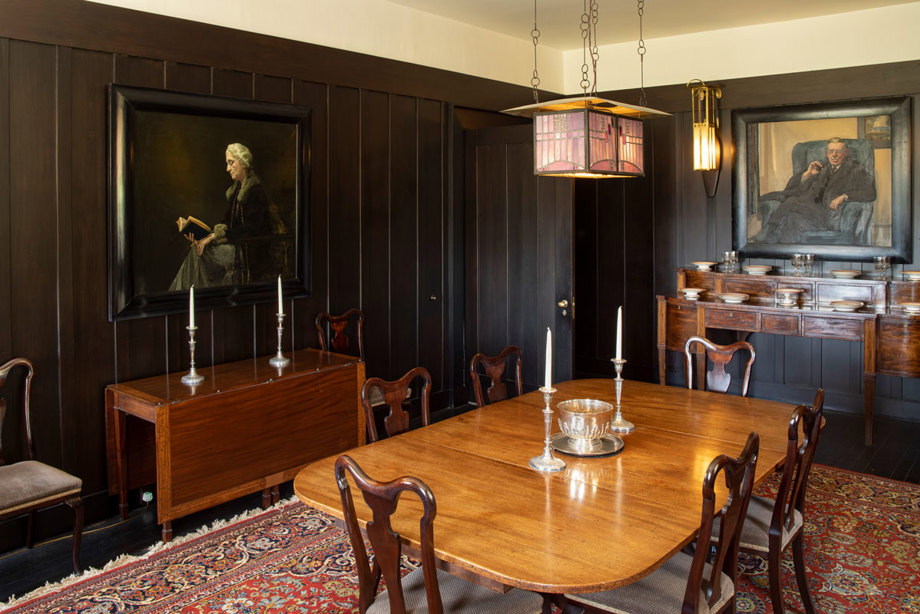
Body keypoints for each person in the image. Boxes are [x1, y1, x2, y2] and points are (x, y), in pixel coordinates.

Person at [169, 143, 273, 291]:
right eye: (227, 163)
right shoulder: (236, 190)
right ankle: (185, 294)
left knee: (200, 254)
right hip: (236, 245)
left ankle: (182, 294)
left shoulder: (256, 191)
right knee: (198, 250)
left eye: (231, 163)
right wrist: (204, 235)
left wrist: (213, 237)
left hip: (250, 250)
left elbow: (252, 229)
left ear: (243, 162)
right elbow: (227, 222)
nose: (227, 169)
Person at [753, 137, 876, 244]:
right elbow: (794, 188)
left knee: (792, 201)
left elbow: (870, 192)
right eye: (831, 151)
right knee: (792, 219)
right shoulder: (822, 167)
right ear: (826, 153)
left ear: (846, 153)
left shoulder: (855, 169)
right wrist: (807, 175)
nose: (834, 155)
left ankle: (766, 235)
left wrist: (844, 196)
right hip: (812, 214)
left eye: (839, 151)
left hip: (831, 217)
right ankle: (787, 255)